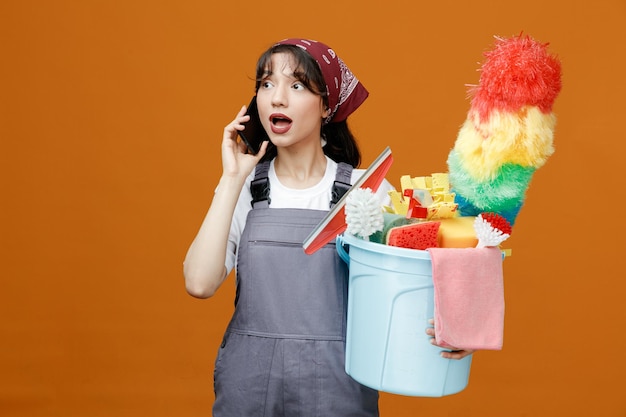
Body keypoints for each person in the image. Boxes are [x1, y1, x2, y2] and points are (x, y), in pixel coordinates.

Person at [183, 38, 472, 416]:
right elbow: (199, 284)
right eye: (266, 84)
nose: (277, 98)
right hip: (248, 387)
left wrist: (460, 323)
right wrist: (231, 179)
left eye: (297, 85)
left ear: (326, 105)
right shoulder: (246, 189)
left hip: (339, 386)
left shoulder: (364, 191)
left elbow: (416, 276)